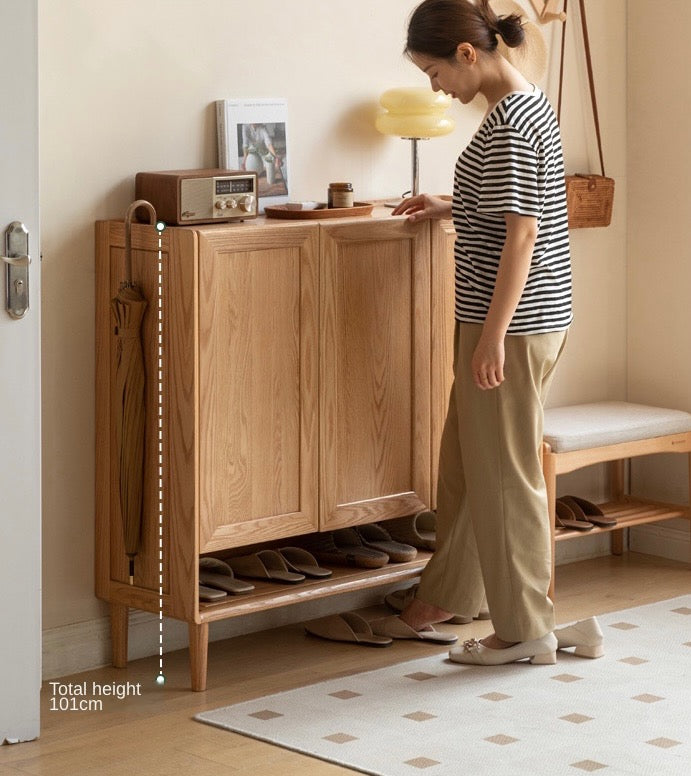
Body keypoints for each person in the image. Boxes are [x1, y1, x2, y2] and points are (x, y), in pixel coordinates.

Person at [391, 0, 572, 665]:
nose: (434, 87)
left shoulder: (513, 123)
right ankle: (446, 595)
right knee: (468, 465)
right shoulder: (516, 110)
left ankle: (524, 630)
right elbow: (511, 210)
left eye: (435, 72)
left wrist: (492, 336)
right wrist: (449, 204)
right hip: (510, 320)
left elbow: (521, 239)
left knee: (504, 475)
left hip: (512, 325)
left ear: (467, 55)